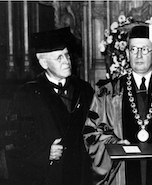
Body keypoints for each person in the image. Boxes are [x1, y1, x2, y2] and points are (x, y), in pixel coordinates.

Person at [83, 24, 152, 185]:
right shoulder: (108, 92)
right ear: (127, 53)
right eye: (134, 49)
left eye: (145, 49)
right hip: (122, 172)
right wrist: (114, 144)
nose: (139, 55)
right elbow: (90, 133)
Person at [5, 27, 94, 185]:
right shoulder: (26, 95)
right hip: (48, 176)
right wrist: (45, 151)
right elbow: (14, 141)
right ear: (43, 62)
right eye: (59, 58)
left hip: (81, 174)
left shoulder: (84, 89)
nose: (67, 61)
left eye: (67, 55)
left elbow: (96, 129)